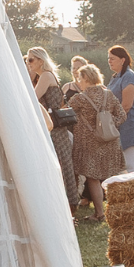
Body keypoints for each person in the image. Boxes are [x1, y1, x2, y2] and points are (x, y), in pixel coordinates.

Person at [69, 63, 127, 223]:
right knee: (112, 175)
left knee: (93, 178)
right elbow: (122, 116)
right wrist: (107, 125)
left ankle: (100, 213)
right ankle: (119, 210)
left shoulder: (79, 99)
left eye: (79, 78)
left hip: (89, 143)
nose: (78, 81)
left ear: (85, 78)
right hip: (110, 142)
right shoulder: (109, 95)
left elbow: (66, 114)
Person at [25, 47, 78, 212]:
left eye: (31, 59)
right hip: (56, 126)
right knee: (62, 162)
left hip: (53, 127)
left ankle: (64, 202)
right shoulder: (47, 76)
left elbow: (31, 99)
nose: (28, 63)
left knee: (58, 162)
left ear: (41, 60)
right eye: (27, 59)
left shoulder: (46, 76)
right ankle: (68, 201)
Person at [106, 47, 134, 175]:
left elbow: (126, 105)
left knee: (131, 166)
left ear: (122, 60)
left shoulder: (129, 76)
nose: (109, 61)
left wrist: (112, 122)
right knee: (120, 169)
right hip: (119, 126)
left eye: (112, 58)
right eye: (108, 58)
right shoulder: (116, 77)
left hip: (131, 125)